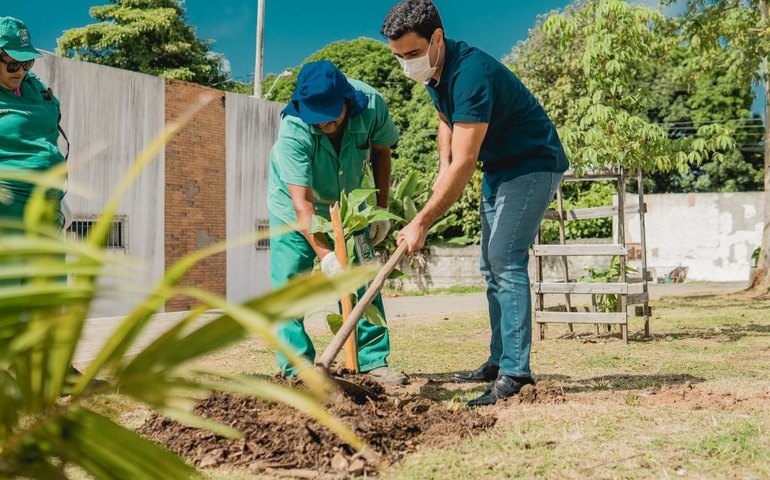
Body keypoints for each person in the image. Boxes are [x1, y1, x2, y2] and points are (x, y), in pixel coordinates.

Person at [382, 0, 569, 405]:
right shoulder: (436, 70)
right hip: (500, 166)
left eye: (412, 54)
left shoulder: (471, 73)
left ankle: (516, 374)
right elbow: (447, 121)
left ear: (436, 38)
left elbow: (466, 162)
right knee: (489, 264)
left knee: (505, 259)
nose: (406, 64)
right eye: (398, 57)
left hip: (533, 162)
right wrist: (441, 165)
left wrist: (421, 221)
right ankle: (498, 360)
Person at [267, 60, 407, 385]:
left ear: (346, 100)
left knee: (365, 278)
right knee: (290, 284)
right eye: (318, 117)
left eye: (331, 115)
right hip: (295, 207)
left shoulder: (371, 105)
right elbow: (302, 207)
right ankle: (297, 373)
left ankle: (373, 363)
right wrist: (327, 255)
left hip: (349, 205)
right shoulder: (293, 128)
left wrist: (381, 208)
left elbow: (382, 152)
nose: (326, 124)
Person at [0, 16, 65, 228]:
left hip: (47, 218)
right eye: (13, 65)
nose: (21, 71)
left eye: (27, 62)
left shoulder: (33, 85)